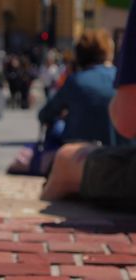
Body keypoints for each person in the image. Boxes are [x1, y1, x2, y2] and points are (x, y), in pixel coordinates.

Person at [40, 3, 136, 202]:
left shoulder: (76, 81)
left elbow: (127, 120)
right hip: (121, 149)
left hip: (109, 163)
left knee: (64, 158)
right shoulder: (113, 75)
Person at [38, 29, 117, 147]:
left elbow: (45, 114)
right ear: (108, 53)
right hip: (124, 155)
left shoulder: (76, 81)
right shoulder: (122, 80)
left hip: (80, 155)